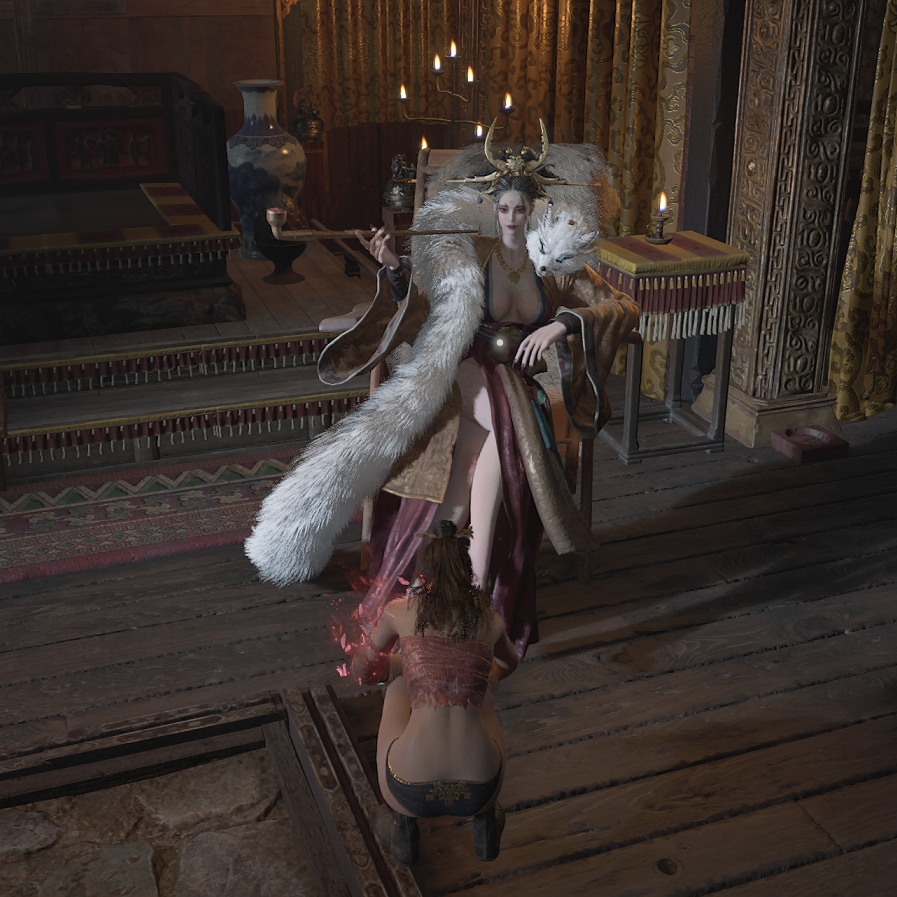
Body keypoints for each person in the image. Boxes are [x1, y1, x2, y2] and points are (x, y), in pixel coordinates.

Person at [245, 127, 638, 663]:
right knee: (505, 415)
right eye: (504, 208)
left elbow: (621, 306)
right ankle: (475, 585)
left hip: (513, 390)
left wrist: (561, 324)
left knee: (486, 445)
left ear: (535, 210)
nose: (512, 218)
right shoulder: (474, 257)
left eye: (521, 209)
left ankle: (450, 575)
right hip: (467, 375)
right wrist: (392, 266)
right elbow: (423, 301)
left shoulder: (555, 261)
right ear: (493, 209)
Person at [352, 519, 520, 865]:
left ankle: (404, 830)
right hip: (482, 788)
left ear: (423, 573)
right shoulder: (489, 622)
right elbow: (509, 663)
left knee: (399, 684)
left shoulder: (398, 612)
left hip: (405, 787)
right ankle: (485, 824)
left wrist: (398, 666)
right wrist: (487, 674)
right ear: (466, 573)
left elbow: (363, 670)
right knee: (476, 691)